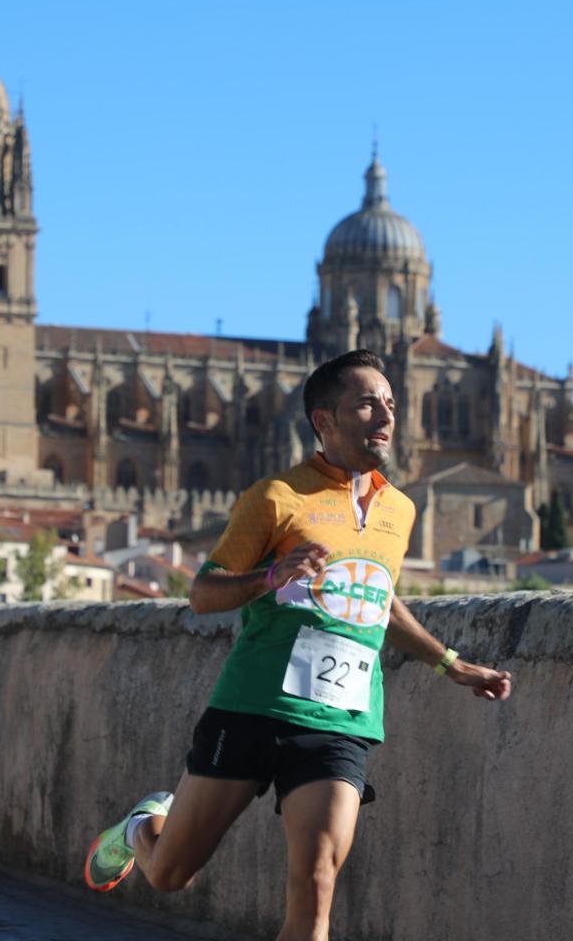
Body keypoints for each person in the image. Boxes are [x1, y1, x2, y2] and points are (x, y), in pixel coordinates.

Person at [84, 349, 513, 941]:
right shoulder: (276, 497)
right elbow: (203, 594)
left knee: (315, 887)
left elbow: (378, 598)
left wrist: (449, 662)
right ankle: (142, 825)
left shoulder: (400, 509)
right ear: (325, 421)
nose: (384, 415)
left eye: (389, 403)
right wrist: (268, 576)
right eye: (366, 403)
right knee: (169, 874)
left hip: (341, 721)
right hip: (252, 707)